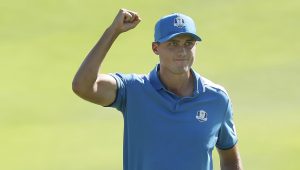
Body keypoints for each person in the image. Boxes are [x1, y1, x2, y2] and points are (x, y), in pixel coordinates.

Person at [72, 8, 243, 170]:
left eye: (188, 43)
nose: (182, 51)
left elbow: (230, 161)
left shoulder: (217, 99)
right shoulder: (132, 90)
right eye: (173, 43)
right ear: (156, 48)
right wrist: (113, 31)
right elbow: (83, 86)